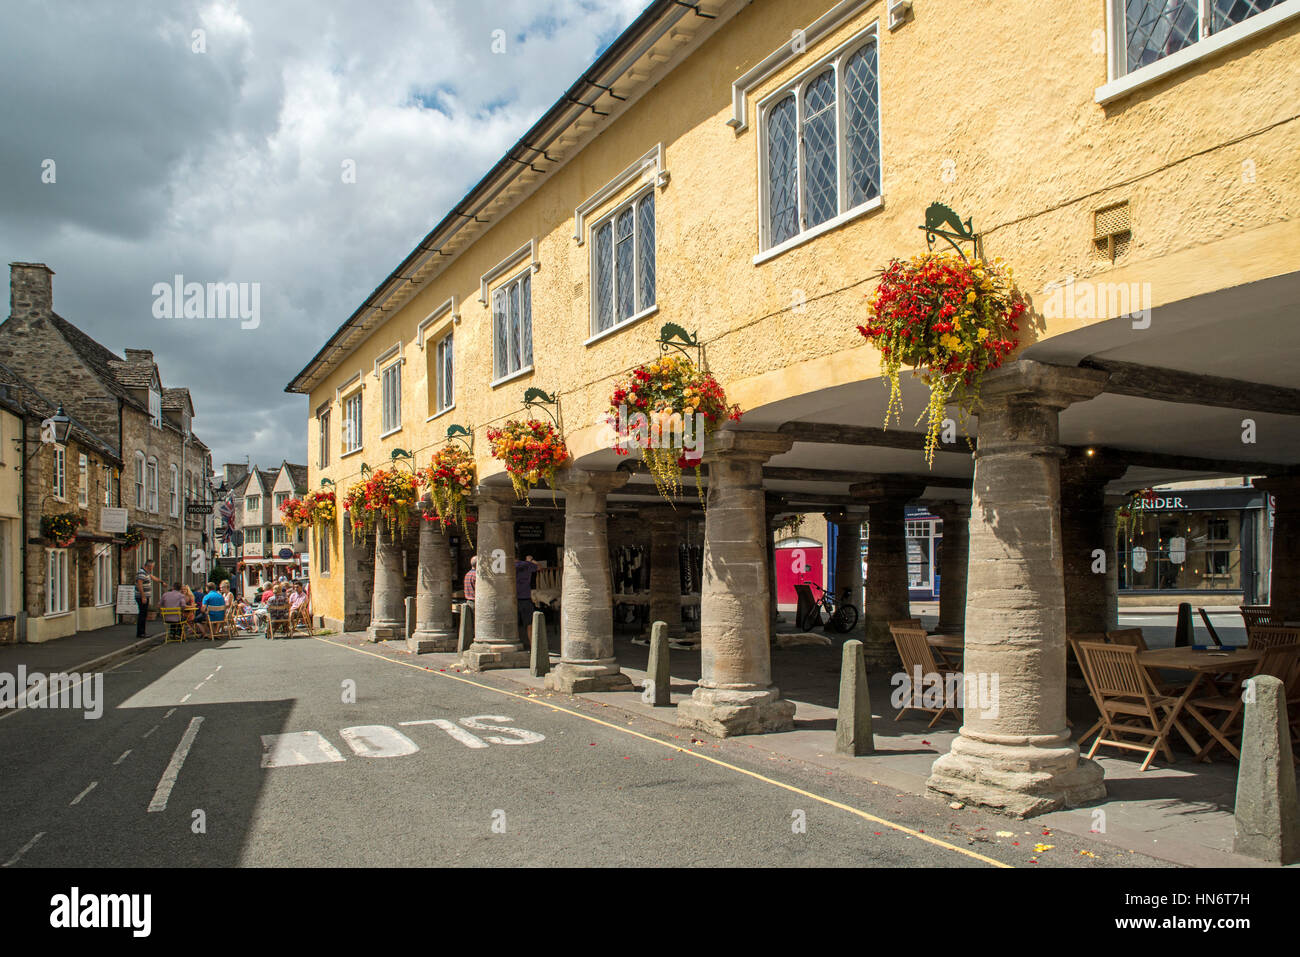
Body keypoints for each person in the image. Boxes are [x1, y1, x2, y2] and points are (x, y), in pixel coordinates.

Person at [515, 555, 538, 647]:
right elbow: (539, 566)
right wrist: (531, 560)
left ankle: (515, 643)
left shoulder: (507, 565)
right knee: (529, 624)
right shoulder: (527, 564)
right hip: (525, 598)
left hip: (513, 599)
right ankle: (533, 645)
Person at [135, 559, 161, 638]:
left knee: (144, 614)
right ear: (149, 566)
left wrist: (161, 582)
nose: (152, 568)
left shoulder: (147, 573)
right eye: (152, 566)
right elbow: (140, 585)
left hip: (145, 596)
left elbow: (153, 577)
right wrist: (143, 596)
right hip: (141, 597)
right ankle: (141, 633)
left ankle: (143, 631)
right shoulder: (141, 573)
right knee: (142, 614)